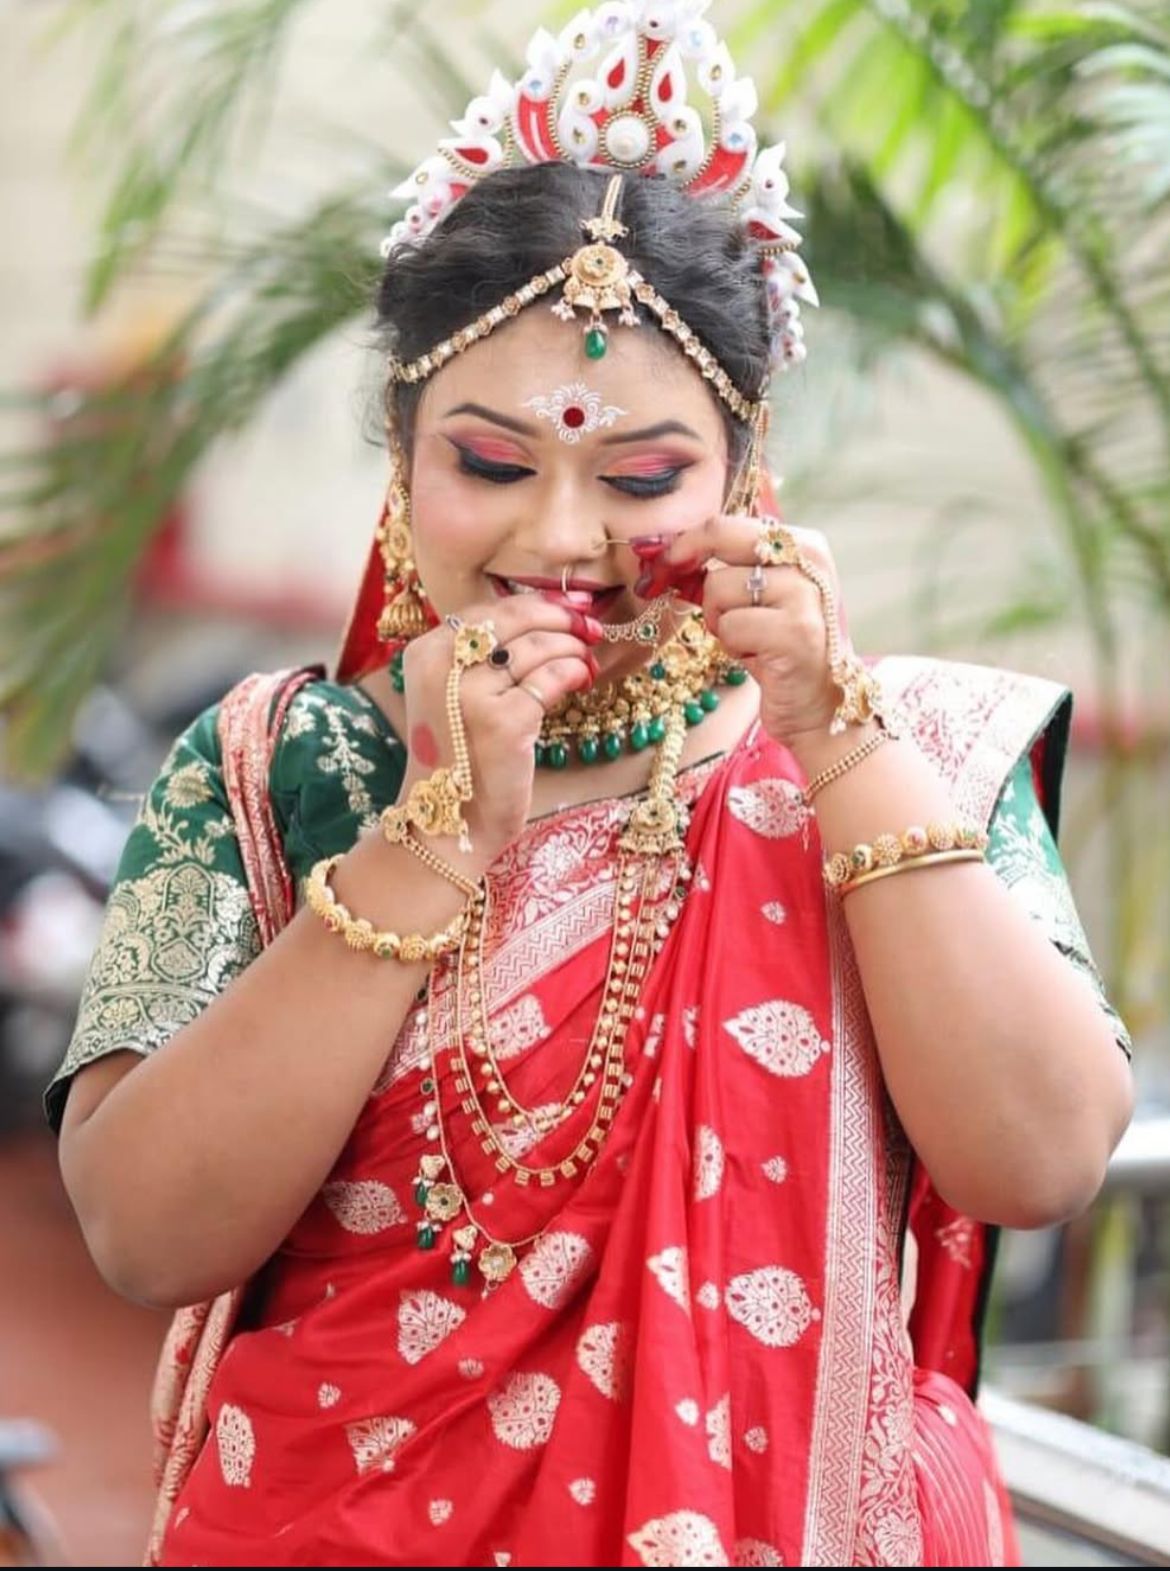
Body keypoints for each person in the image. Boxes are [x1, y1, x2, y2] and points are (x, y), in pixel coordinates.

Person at [47, 7, 1133, 1566]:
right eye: (491, 464)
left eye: (640, 479)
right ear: (401, 454)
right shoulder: (279, 763)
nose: (562, 539)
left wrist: (833, 740)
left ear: (743, 470)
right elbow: (145, 1236)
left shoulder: (909, 757)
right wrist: (432, 838)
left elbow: (1037, 1161)